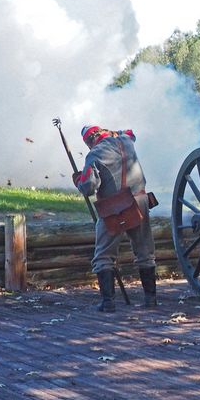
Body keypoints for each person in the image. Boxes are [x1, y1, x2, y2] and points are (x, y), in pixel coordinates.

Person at [74, 125, 157, 312]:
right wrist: (113, 132)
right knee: (145, 252)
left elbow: (88, 187)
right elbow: (129, 132)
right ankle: (150, 299)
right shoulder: (127, 141)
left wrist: (79, 180)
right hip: (140, 201)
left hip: (115, 207)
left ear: (91, 139)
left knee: (103, 255)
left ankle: (108, 302)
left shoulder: (94, 154)